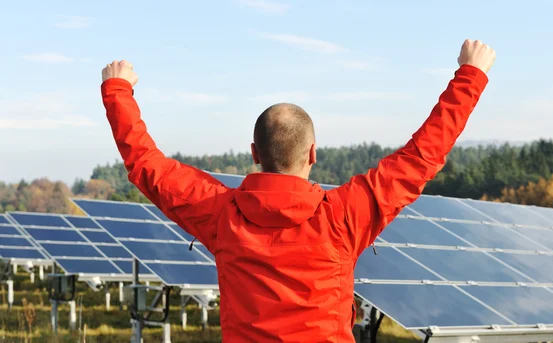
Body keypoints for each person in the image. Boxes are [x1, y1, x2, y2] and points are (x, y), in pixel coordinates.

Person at [100, 39, 496, 342]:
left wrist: (118, 91)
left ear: (255, 153)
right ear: (313, 153)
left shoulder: (220, 213)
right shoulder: (343, 215)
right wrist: (470, 76)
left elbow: (147, 166)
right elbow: (420, 157)